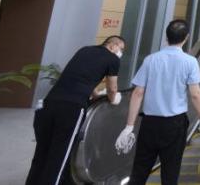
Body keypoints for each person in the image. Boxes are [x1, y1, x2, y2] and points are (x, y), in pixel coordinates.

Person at [116, 20, 200, 185]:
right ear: (186, 37)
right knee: (170, 173)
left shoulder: (150, 60)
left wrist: (129, 126)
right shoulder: (190, 62)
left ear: (166, 37)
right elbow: (195, 94)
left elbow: (137, 93)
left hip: (150, 123)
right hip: (175, 124)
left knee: (139, 171)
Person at [25, 36, 125, 185]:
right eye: (121, 49)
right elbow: (112, 88)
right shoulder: (113, 59)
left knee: (42, 153)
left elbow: (80, 77)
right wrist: (113, 99)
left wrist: (95, 95)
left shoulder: (84, 50)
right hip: (72, 108)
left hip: (49, 103)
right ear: (113, 45)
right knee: (59, 156)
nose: (121, 52)